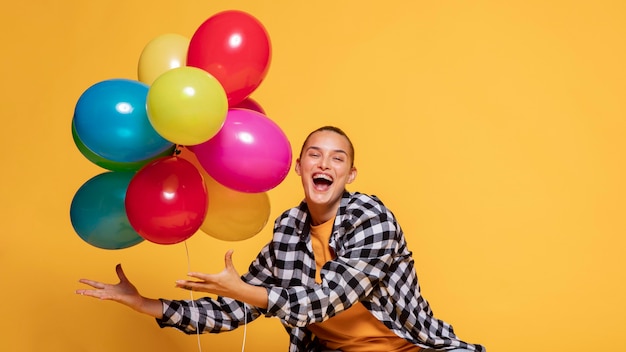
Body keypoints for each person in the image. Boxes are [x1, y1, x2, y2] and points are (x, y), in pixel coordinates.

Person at [76, 126, 485, 352]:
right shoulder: (288, 232)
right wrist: (145, 304)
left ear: (351, 175)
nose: (325, 163)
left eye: (337, 158)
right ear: (298, 167)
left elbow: (328, 300)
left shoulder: (372, 219)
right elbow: (234, 309)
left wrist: (250, 293)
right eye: (315, 155)